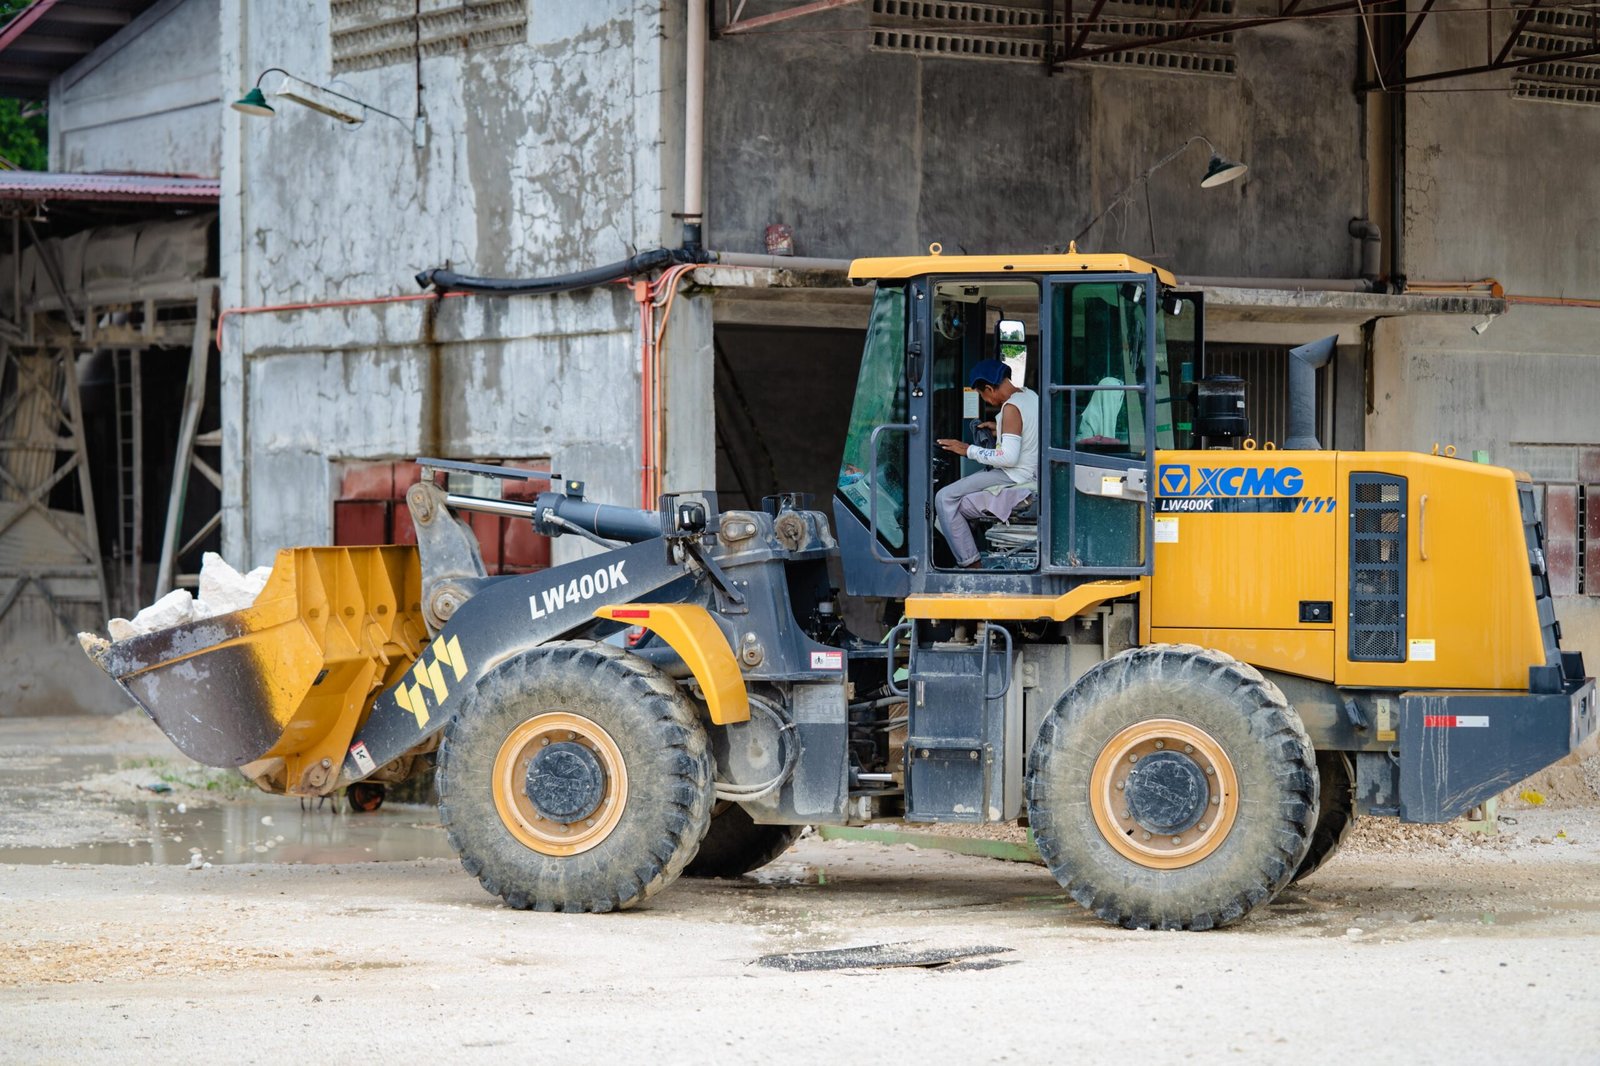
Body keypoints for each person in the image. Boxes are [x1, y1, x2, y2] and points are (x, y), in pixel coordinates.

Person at [934, 359, 1039, 568]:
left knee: (944, 498)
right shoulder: (1031, 396)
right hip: (1031, 471)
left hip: (1014, 475)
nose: (986, 400)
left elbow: (1008, 457)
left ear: (989, 388)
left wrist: (967, 450)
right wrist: (999, 429)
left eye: (983, 395)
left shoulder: (1011, 408)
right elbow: (1027, 431)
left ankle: (971, 565)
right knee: (955, 501)